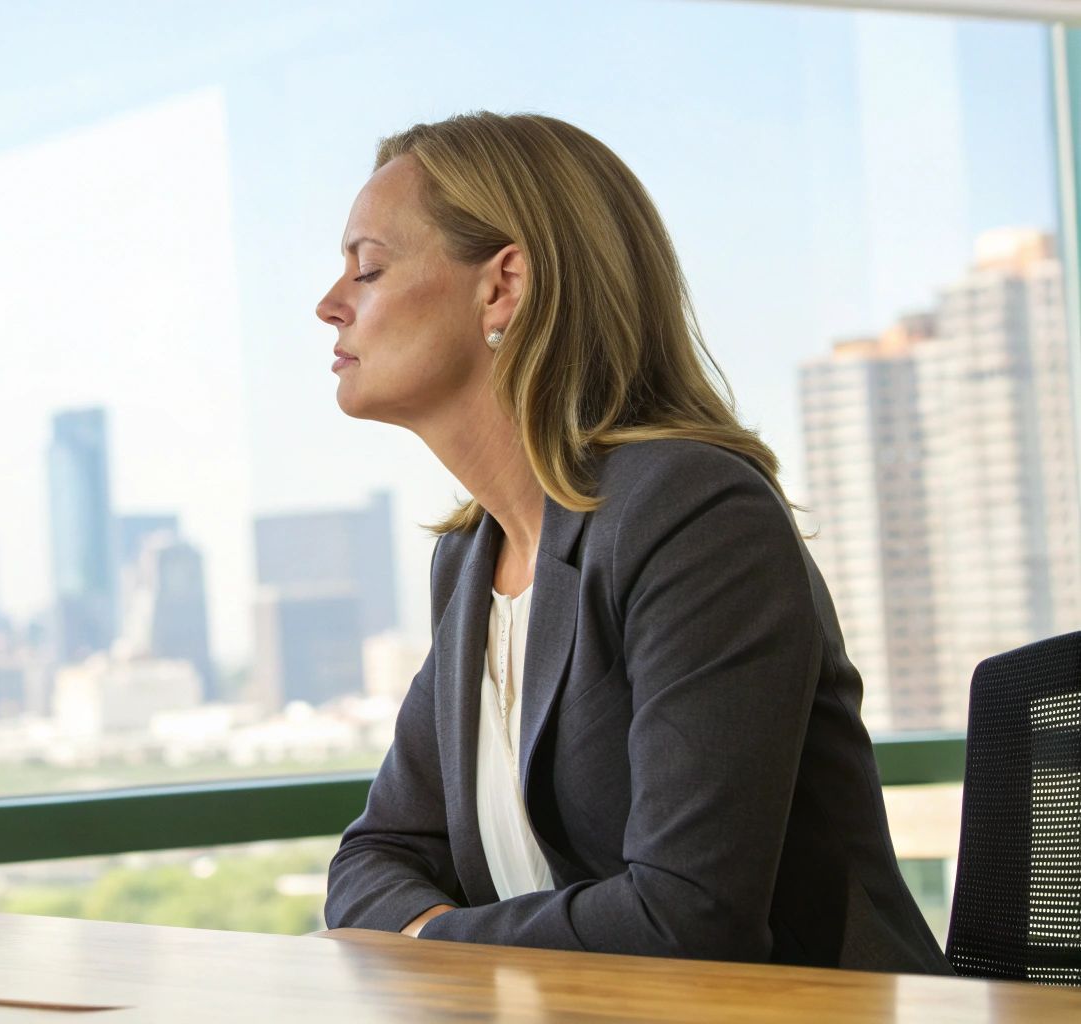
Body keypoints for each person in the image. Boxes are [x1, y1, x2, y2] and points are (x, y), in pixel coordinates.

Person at [316, 111, 951, 973]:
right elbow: (371, 859)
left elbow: (688, 922)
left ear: (501, 287)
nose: (330, 304)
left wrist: (429, 939)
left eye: (369, 268)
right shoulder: (472, 563)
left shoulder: (693, 516)